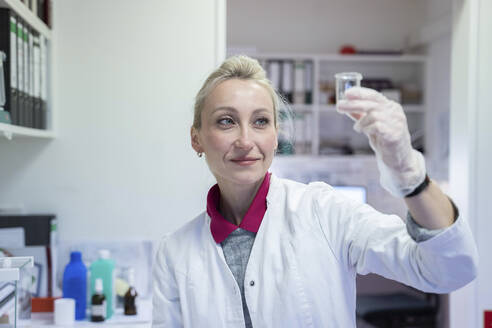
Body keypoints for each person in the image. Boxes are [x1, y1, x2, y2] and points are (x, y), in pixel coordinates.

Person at [152, 55, 478, 327]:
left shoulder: (324, 212)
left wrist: (410, 172)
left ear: (276, 136)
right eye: (226, 121)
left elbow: (449, 270)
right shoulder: (175, 253)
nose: (246, 140)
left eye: (261, 121)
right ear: (196, 138)